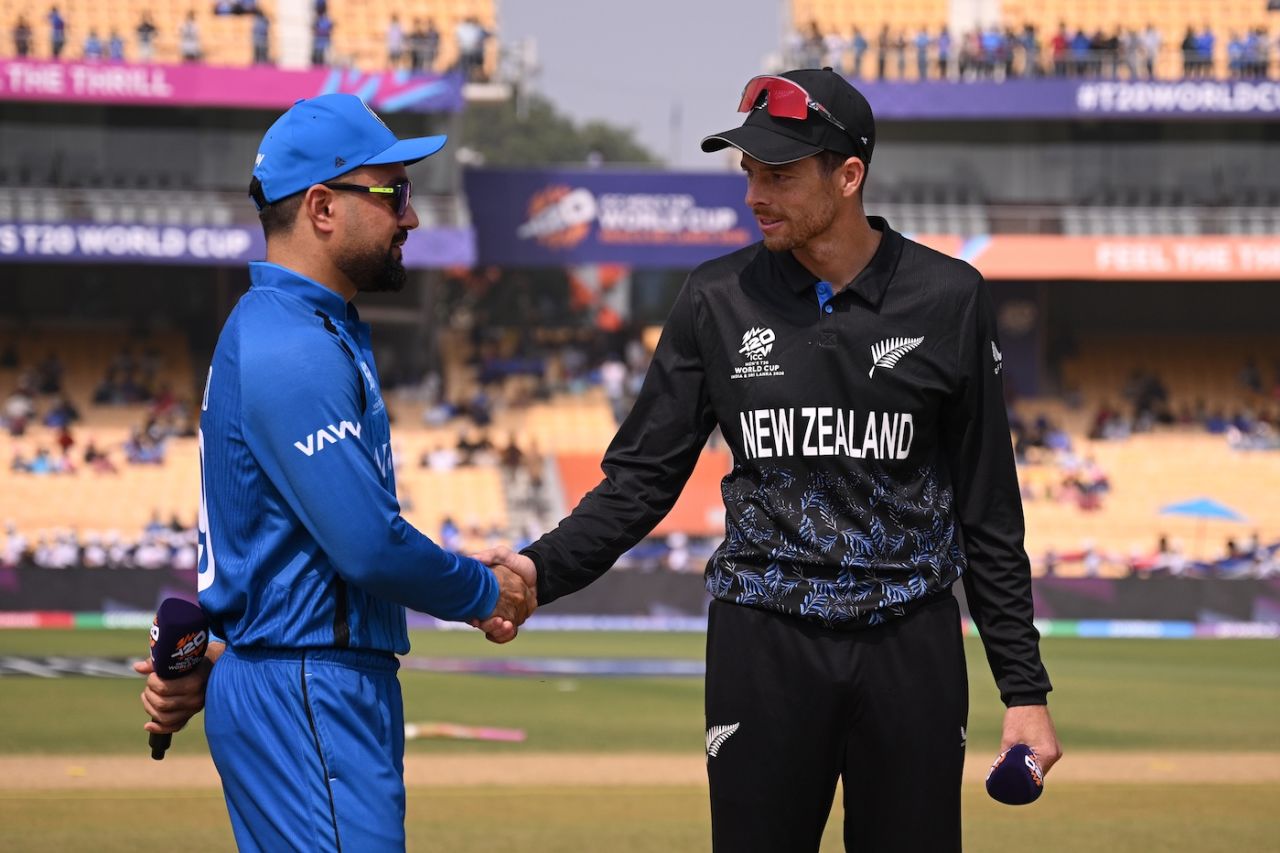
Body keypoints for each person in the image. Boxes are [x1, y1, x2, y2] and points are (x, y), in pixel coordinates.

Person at [476, 69, 1061, 852]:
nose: (756, 194)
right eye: (749, 171)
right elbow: (643, 478)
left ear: (848, 175)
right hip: (764, 641)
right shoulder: (715, 298)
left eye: (780, 174)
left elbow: (988, 509)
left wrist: (1022, 688)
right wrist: (540, 570)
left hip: (910, 643)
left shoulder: (949, 297)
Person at [133, 94, 535, 851]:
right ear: (322, 207)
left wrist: (222, 651)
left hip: (301, 681)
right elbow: (368, 547)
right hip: (310, 692)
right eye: (392, 194)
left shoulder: (294, 327)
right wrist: (485, 591)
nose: (409, 217)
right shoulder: (293, 344)